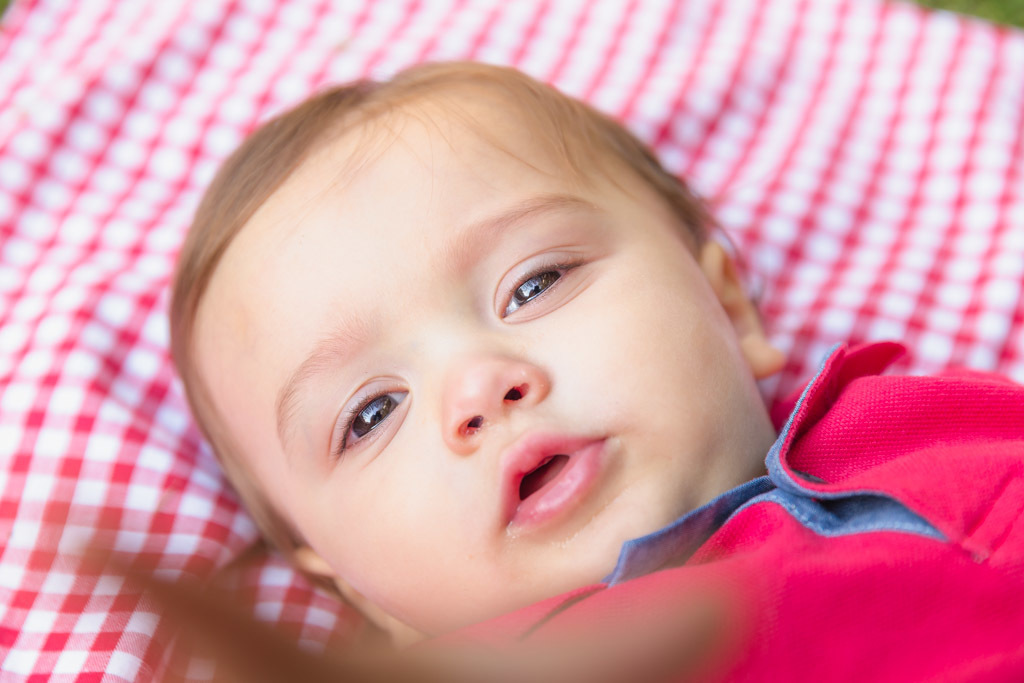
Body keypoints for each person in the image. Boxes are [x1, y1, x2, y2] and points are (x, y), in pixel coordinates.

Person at [169, 61, 1024, 679]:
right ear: (347, 579)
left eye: (534, 284)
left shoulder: (922, 434)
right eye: (370, 414)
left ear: (727, 306)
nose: (479, 388)